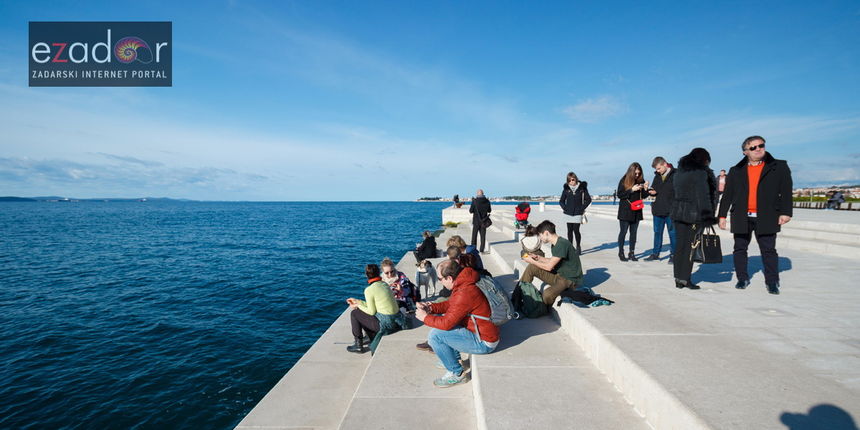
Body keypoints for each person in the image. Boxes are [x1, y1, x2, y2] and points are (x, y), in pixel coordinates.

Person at [718, 136, 793, 295]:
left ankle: (772, 281)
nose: (758, 149)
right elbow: (728, 194)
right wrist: (722, 215)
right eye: (753, 147)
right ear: (745, 152)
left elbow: (786, 191)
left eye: (761, 145)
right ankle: (742, 278)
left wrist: (786, 212)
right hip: (741, 215)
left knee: (768, 250)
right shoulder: (736, 170)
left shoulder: (778, 166)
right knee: (739, 249)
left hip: (767, 215)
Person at [415, 254, 498, 388]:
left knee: (434, 336)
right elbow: (451, 305)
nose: (439, 281)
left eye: (440, 279)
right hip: (481, 332)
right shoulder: (464, 282)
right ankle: (452, 358)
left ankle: (456, 373)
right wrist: (430, 308)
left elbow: (447, 324)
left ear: (449, 278)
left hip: (484, 342)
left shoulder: (465, 292)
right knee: (443, 322)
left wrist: (425, 317)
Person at [670, 148, 718, 290]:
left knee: (680, 247)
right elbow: (703, 196)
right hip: (693, 214)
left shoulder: (679, 172)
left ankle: (678, 278)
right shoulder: (700, 173)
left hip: (678, 213)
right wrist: (708, 216)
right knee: (691, 247)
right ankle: (685, 278)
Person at [518, 220, 588, 306]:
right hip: (559, 275)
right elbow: (553, 260)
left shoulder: (562, 244)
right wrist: (538, 258)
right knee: (531, 267)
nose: (540, 238)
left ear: (546, 233)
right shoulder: (555, 244)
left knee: (547, 295)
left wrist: (531, 260)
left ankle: (541, 309)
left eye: (540, 235)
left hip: (569, 280)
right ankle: (518, 295)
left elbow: (549, 267)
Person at [345, 264, 406, 354]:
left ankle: (358, 345)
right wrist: (358, 301)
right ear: (379, 273)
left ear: (366, 275)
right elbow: (375, 305)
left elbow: (371, 311)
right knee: (362, 311)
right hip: (396, 321)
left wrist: (357, 306)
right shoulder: (384, 284)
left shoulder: (369, 290)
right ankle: (369, 337)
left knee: (355, 313)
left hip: (386, 325)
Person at [616, 162, 649, 261]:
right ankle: (621, 252)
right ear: (631, 172)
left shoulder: (640, 180)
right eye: (635, 173)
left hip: (637, 210)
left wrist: (646, 189)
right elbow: (620, 195)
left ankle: (632, 252)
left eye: (639, 173)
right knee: (623, 232)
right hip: (625, 211)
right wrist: (631, 190)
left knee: (634, 233)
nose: (637, 175)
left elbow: (643, 196)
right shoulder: (624, 180)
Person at [646, 157, 677, 263]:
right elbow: (654, 190)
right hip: (658, 210)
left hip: (671, 211)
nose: (657, 171)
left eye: (659, 168)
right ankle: (655, 254)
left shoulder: (676, 174)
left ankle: (674, 255)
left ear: (665, 164)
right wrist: (650, 190)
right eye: (656, 169)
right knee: (657, 233)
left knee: (672, 234)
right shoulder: (657, 176)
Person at [558, 172, 592, 254]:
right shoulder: (566, 189)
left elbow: (588, 199)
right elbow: (561, 201)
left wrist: (581, 208)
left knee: (576, 230)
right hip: (568, 213)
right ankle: (570, 247)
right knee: (569, 230)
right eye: (569, 180)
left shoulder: (582, 188)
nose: (571, 182)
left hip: (577, 213)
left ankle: (578, 246)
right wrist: (565, 208)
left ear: (575, 178)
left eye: (572, 180)